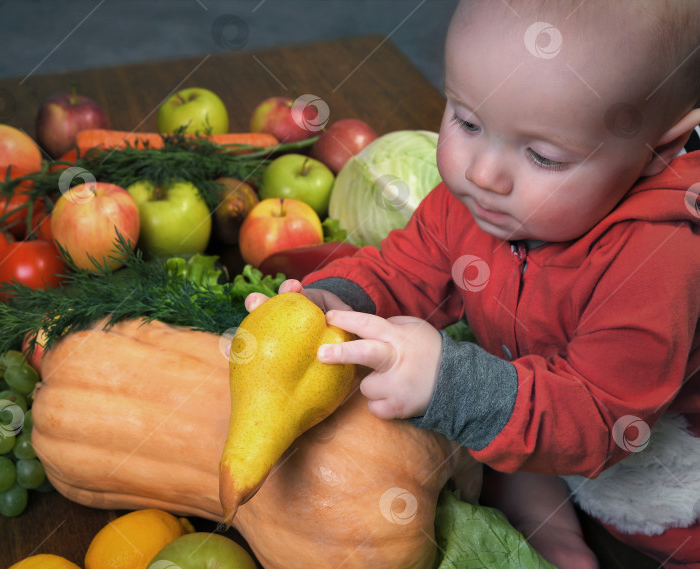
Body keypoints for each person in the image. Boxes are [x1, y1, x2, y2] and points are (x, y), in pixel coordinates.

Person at [245, 1, 700, 567]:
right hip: (545, 426)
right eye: (466, 120)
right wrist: (332, 302)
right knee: (495, 455)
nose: (483, 173)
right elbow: (402, 270)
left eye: (542, 155)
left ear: (660, 148)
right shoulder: (479, 206)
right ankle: (548, 527)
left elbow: (601, 420)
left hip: (664, 481)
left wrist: (449, 385)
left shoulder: (661, 259)